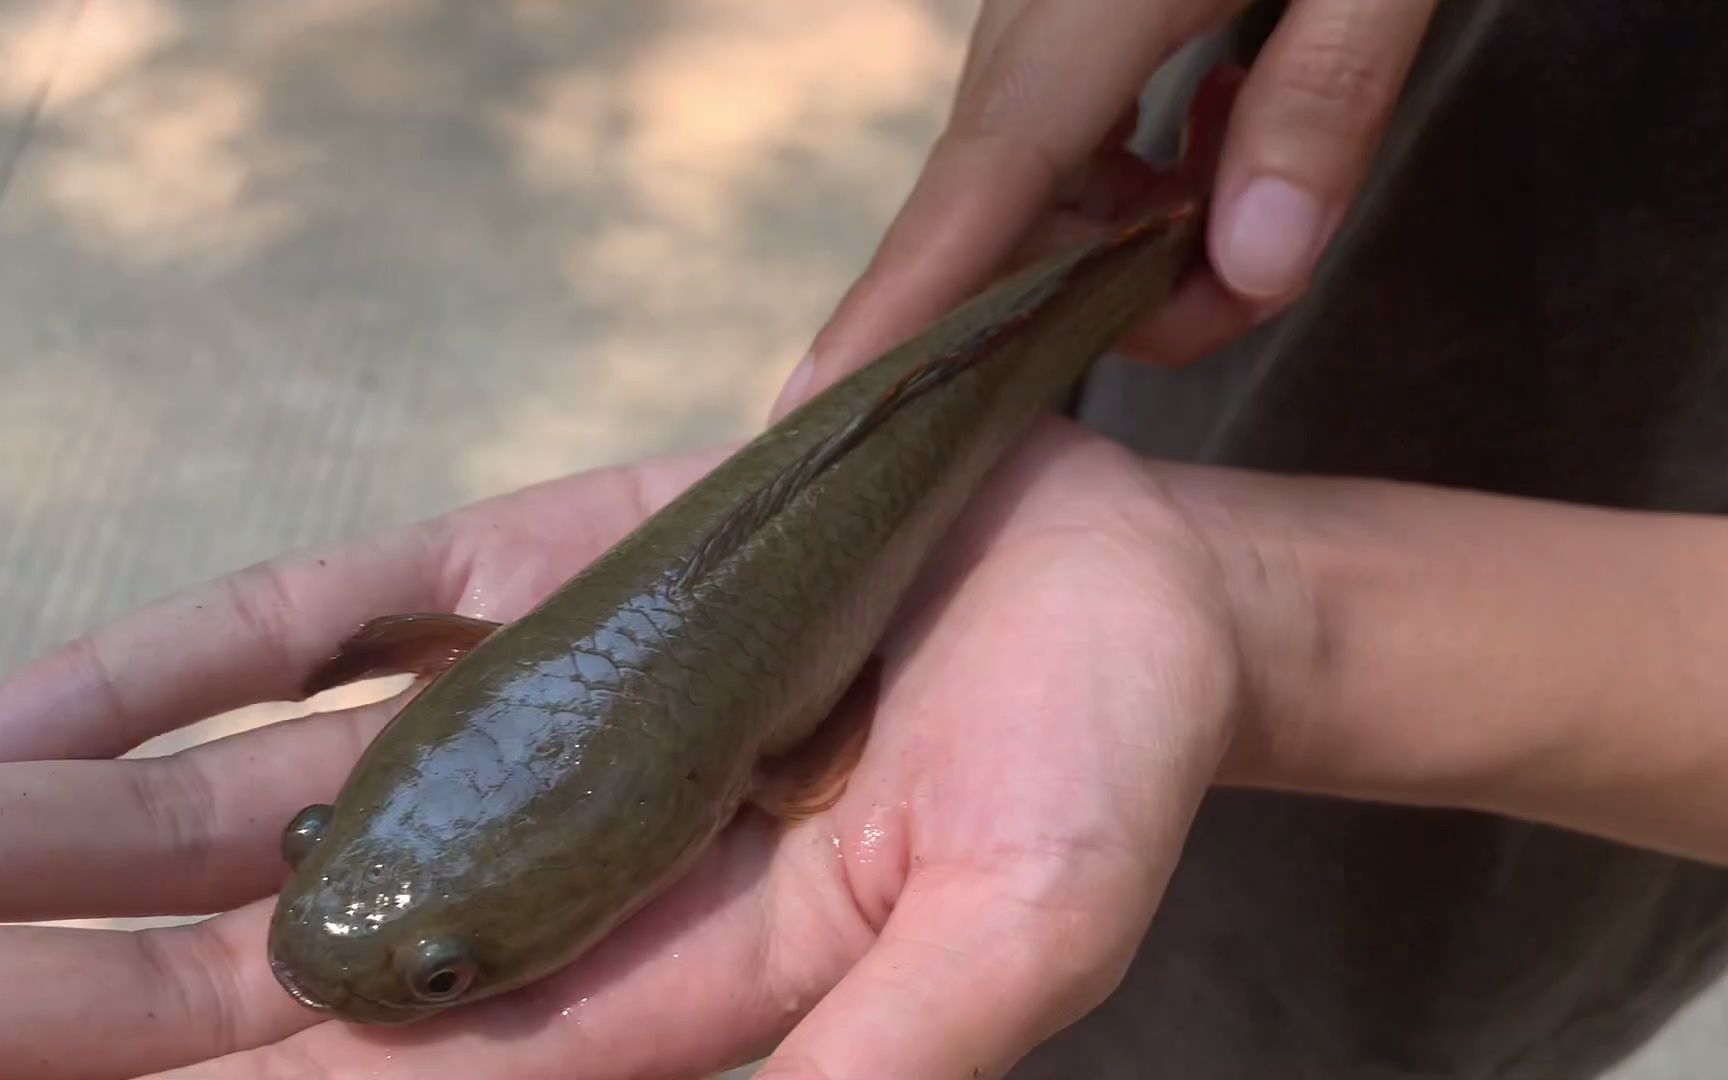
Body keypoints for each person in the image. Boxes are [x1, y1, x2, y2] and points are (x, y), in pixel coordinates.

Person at [2, 1, 1726, 1077]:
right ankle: (1153, 238)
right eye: (325, 833)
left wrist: (1255, 610)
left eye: (455, 968)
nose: (341, 916)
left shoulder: (758, 759)